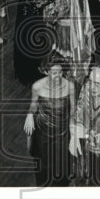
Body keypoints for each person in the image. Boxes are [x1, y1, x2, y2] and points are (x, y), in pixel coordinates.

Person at [24, 55, 76, 187]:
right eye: (54, 73)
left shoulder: (70, 86)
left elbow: (73, 110)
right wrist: (29, 115)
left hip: (62, 131)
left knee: (61, 163)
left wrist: (73, 132)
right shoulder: (37, 86)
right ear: (46, 72)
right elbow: (34, 104)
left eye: (60, 72)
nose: (58, 76)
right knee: (43, 162)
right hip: (43, 131)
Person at [43, 0, 95, 81]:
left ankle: (68, 75)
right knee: (78, 51)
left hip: (67, 29)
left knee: (66, 53)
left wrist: (47, 10)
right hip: (81, 25)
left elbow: (53, 14)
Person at [14, 0, 50, 85]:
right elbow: (38, 3)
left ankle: (23, 71)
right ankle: (30, 73)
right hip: (30, 15)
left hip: (22, 12)